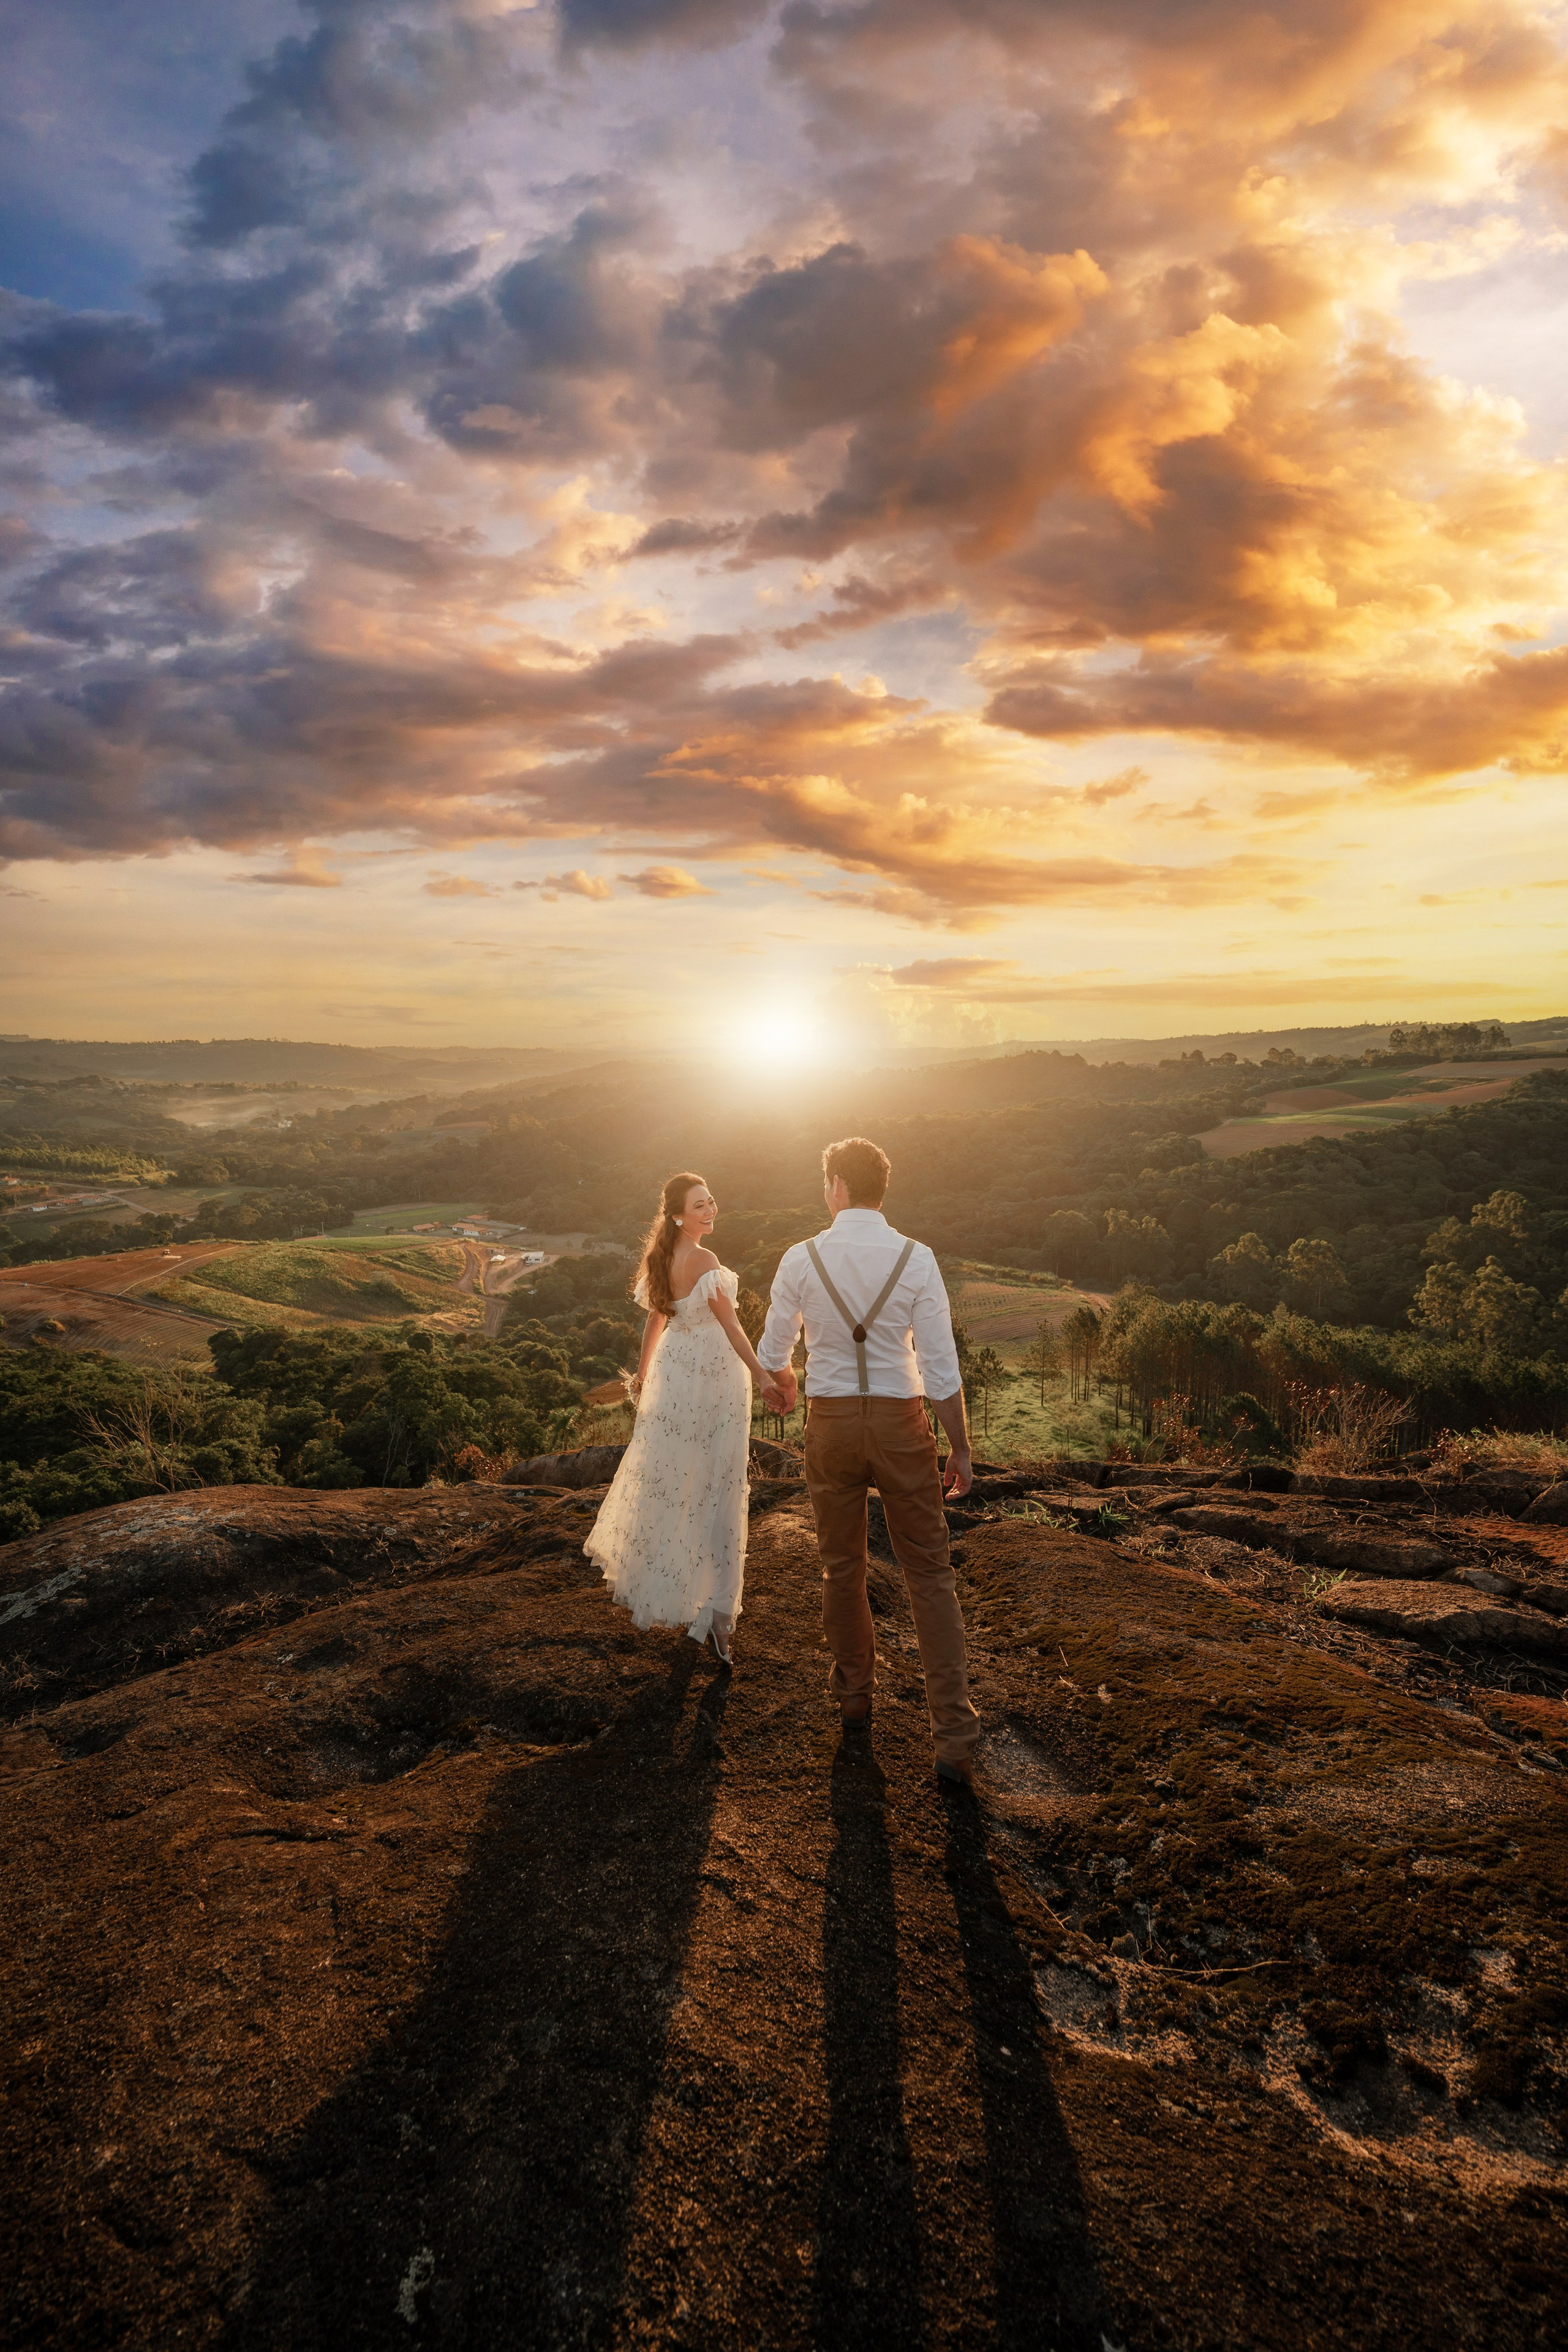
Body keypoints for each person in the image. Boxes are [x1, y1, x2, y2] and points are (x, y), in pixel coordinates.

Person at [757, 1136, 981, 1788]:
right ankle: (954, 1741)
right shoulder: (917, 1258)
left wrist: (788, 1380)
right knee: (929, 1575)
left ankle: (854, 1695)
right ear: (880, 1190)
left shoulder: (800, 1259)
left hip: (829, 1424)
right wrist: (960, 1447)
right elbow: (940, 1365)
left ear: (837, 1187)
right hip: (901, 1421)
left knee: (841, 1566)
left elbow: (775, 1348)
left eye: (826, 1182)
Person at [584, 1172, 787, 1665]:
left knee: (678, 1480)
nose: (711, 1210)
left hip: (676, 1375)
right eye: (700, 1205)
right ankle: (716, 1616)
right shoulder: (704, 1260)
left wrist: (644, 1373)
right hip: (713, 1379)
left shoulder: (662, 1255)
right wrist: (762, 1375)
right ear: (679, 1214)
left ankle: (682, 1592)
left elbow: (657, 1318)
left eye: (712, 1201)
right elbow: (732, 1325)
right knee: (716, 1484)